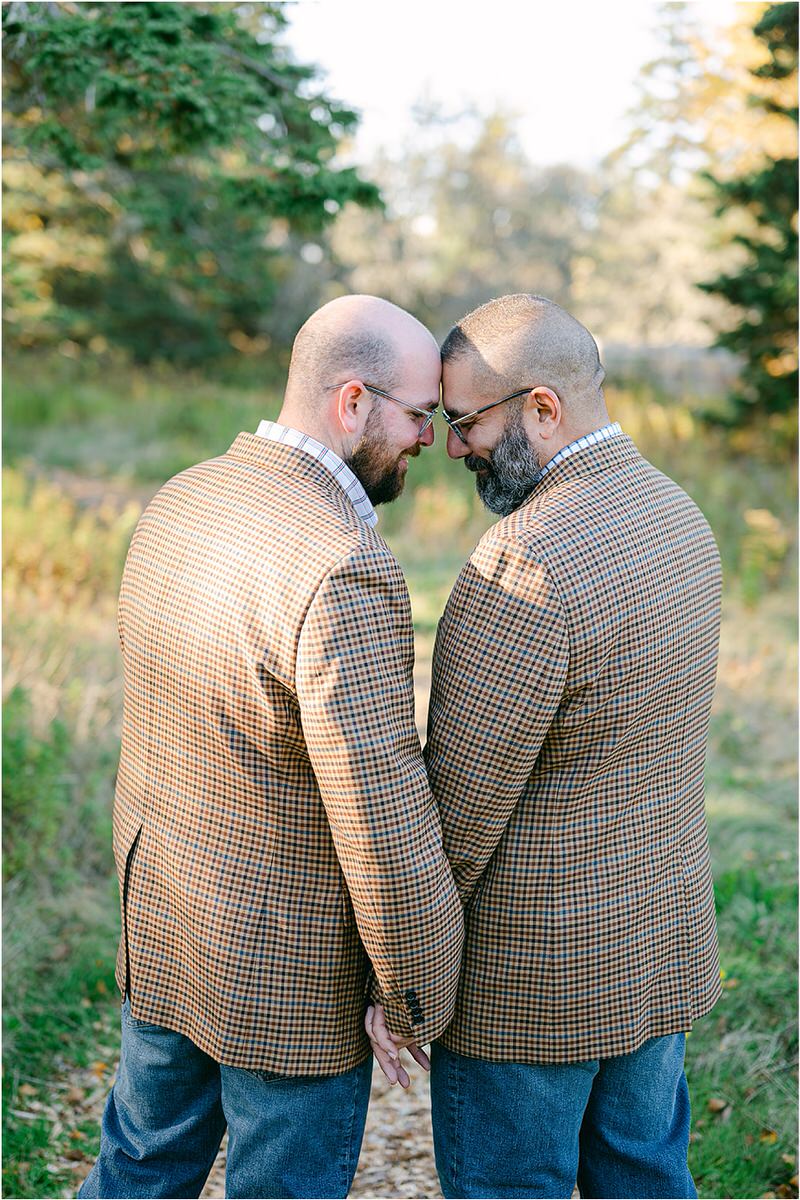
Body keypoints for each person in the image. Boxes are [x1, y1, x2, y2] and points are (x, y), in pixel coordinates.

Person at [79, 294, 464, 1200]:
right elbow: (380, 810)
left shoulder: (185, 493)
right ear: (354, 401)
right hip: (288, 968)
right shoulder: (342, 564)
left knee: (139, 1164)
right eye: (419, 415)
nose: (428, 442)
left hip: (168, 919)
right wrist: (412, 991)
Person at [369, 293, 722, 1199]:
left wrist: (403, 976)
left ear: (541, 406)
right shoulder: (681, 515)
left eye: (465, 421)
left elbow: (457, 809)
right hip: (658, 943)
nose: (453, 447)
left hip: (532, 986)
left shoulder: (523, 561)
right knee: (645, 1178)